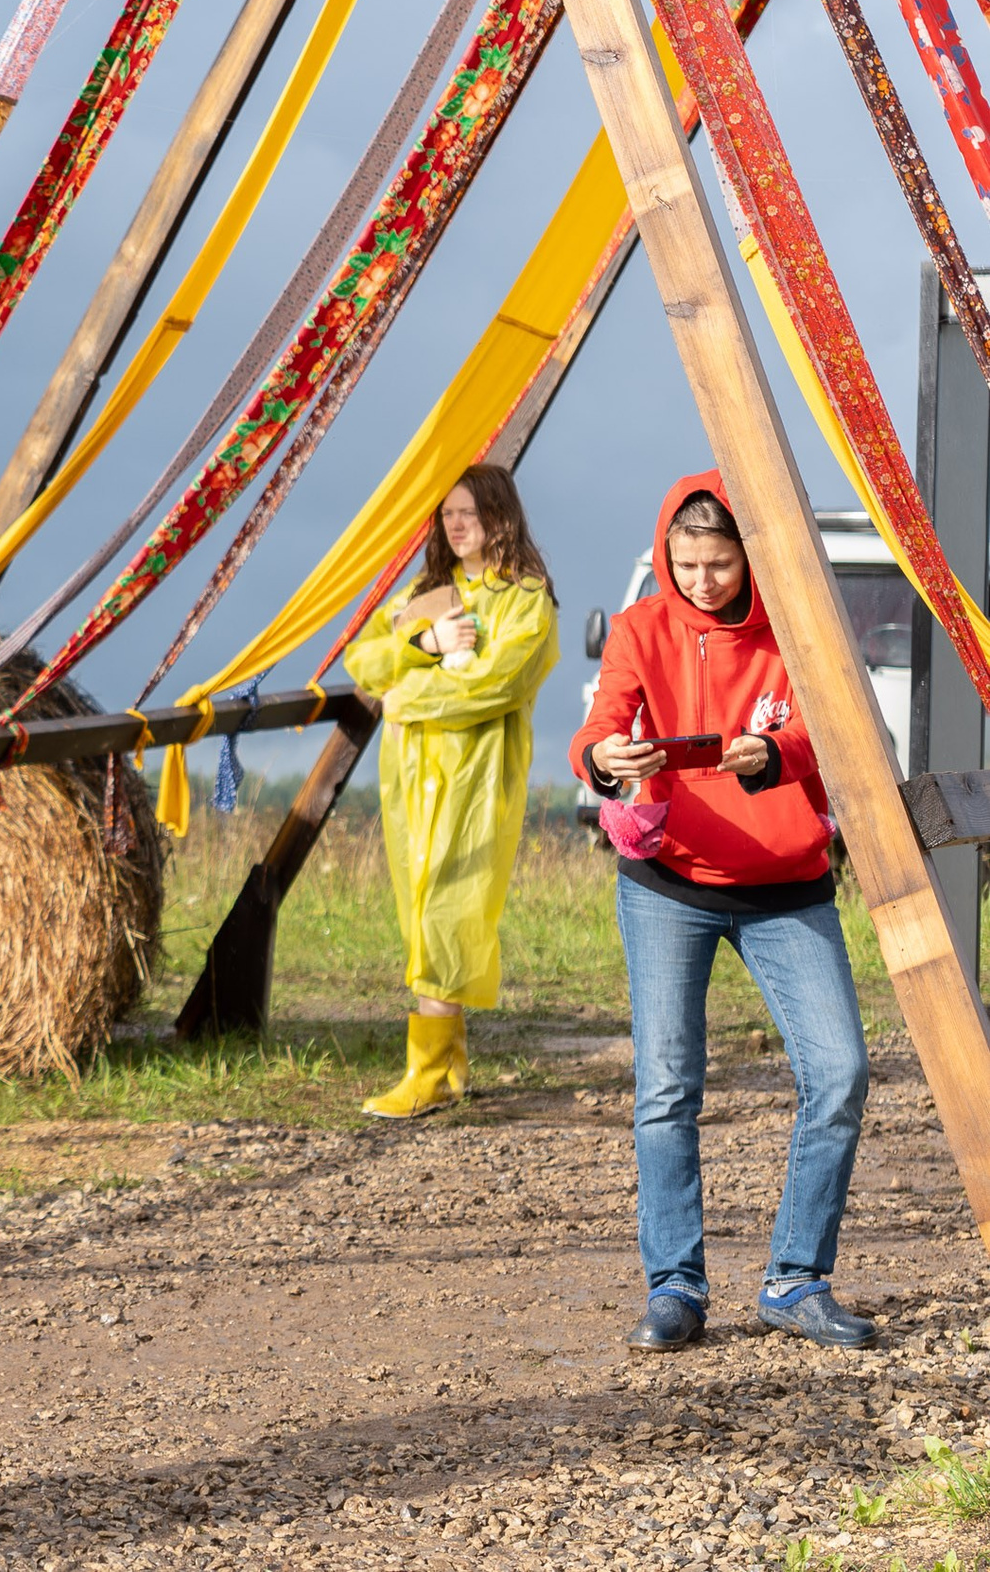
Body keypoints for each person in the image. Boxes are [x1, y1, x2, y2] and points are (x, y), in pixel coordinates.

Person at [570, 472, 875, 1354]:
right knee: (667, 1090)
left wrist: (774, 752)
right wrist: (604, 756)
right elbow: (595, 729)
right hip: (668, 883)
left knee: (842, 1073)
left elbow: (839, 727)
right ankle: (676, 1287)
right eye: (686, 561)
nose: (702, 580)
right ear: (666, 553)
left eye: (719, 561)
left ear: (750, 554)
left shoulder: (799, 624)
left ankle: (796, 1280)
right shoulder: (639, 628)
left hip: (786, 884)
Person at [344, 464, 559, 1118]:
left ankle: (430, 1072)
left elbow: (493, 686)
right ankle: (449, 1062)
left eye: (470, 511)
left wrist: (405, 694)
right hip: (412, 775)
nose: (457, 525)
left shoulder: (527, 599)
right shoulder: (428, 591)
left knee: (449, 909)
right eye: (448, 514)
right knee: (421, 913)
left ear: (502, 514)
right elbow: (363, 658)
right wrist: (424, 639)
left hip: (477, 774)